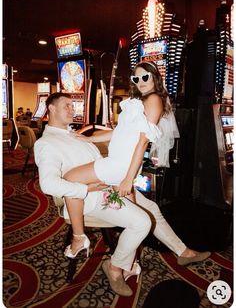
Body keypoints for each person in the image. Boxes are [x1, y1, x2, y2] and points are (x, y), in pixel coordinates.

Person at [34, 91, 210, 298]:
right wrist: (84, 189)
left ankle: (182, 252)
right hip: (89, 198)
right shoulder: (46, 143)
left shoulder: (72, 133)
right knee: (142, 223)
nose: (72, 110)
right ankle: (114, 266)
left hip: (106, 186)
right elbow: (48, 184)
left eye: (74, 106)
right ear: (51, 109)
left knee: (152, 208)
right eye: (67, 106)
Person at [62, 60, 179, 258]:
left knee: (69, 178)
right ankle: (131, 263)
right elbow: (117, 133)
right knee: (137, 217)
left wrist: (128, 178)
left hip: (120, 164)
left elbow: (143, 142)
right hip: (120, 163)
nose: (140, 81)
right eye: (136, 78)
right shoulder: (140, 101)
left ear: (155, 78)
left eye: (145, 77)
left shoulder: (153, 99)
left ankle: (79, 236)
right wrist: (88, 138)